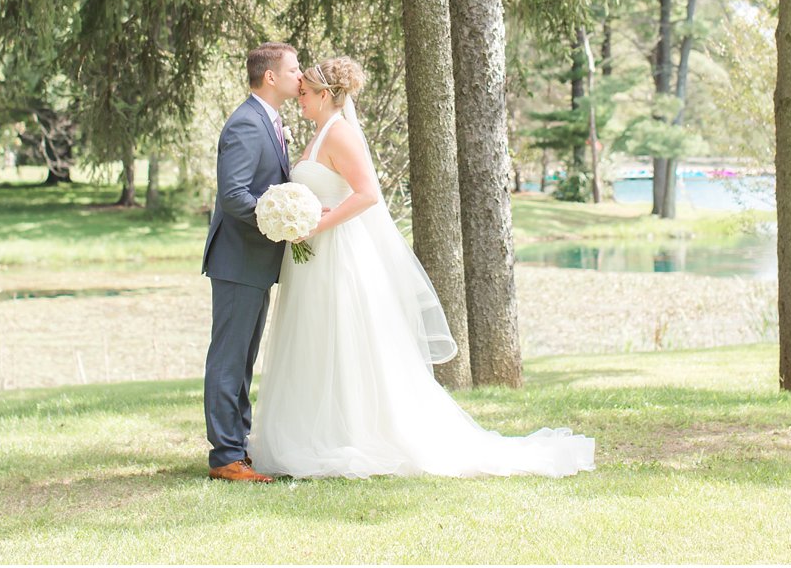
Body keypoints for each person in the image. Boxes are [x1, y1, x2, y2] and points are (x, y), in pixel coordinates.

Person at [249, 57, 595, 479]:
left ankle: (350, 434)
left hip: (337, 253)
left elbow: (367, 195)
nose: (298, 98)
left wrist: (317, 223)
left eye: (304, 93)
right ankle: (314, 429)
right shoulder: (320, 134)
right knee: (315, 339)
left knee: (340, 337)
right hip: (312, 256)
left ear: (325, 95)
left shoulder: (340, 133)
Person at [201, 42, 301, 483]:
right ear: (271, 77)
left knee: (241, 360)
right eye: (295, 69)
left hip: (255, 263)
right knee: (228, 360)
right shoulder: (245, 123)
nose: (301, 77)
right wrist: (280, 221)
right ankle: (225, 457)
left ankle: (236, 449)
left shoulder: (271, 122)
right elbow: (235, 195)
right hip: (238, 259)